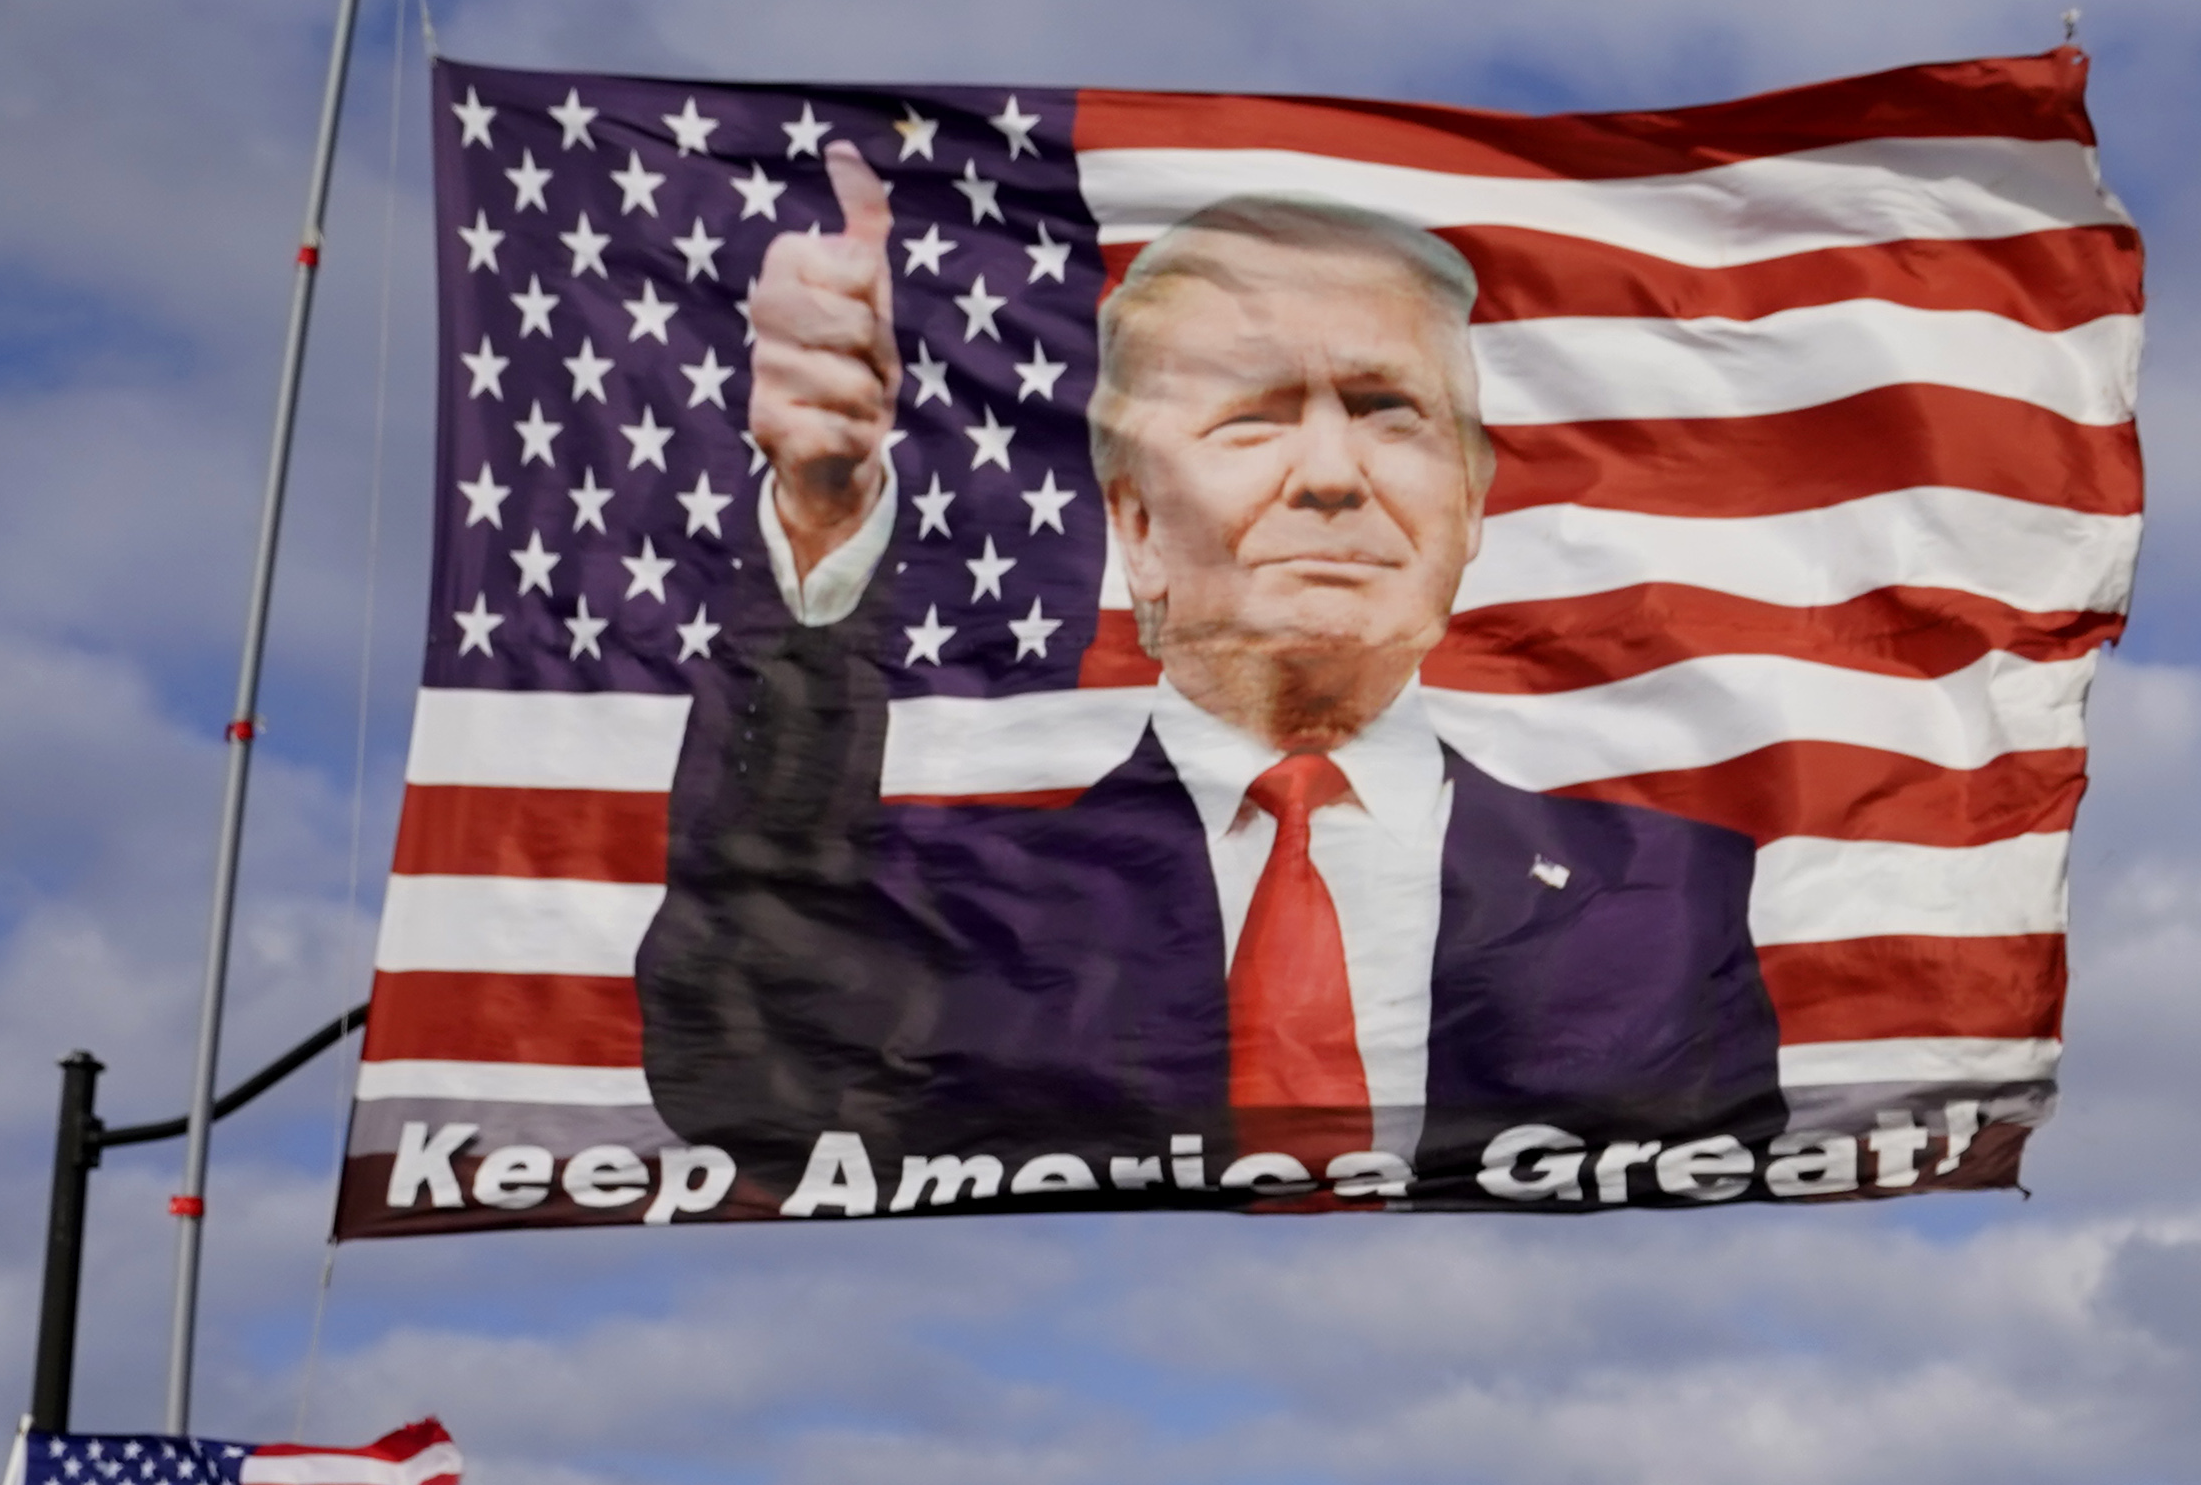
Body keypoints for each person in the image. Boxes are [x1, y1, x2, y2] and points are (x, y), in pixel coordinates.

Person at [645, 153, 1780, 1173]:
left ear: (1471, 507)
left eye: (1388, 411)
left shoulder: (1660, 903)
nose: (1332, 473)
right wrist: (820, 512)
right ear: (1134, 528)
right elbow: (744, 1048)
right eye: (1254, 418)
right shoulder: (972, 918)